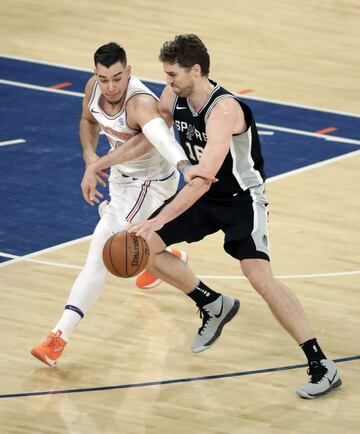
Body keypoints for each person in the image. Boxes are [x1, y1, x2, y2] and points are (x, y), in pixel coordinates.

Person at [87, 34, 342, 399]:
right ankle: (211, 302)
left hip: (239, 197)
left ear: (196, 70)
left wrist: (157, 219)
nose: (167, 81)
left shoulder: (224, 110)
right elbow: (152, 137)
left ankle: (321, 364)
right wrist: (103, 161)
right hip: (202, 195)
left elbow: (203, 179)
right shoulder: (174, 95)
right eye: (166, 74)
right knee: (143, 247)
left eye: (173, 74)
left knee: (259, 276)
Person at [30, 41, 211, 367]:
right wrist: (90, 158)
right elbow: (88, 121)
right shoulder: (94, 88)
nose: (111, 87)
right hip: (121, 177)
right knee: (131, 243)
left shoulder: (140, 103)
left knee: (102, 248)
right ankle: (160, 257)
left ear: (128, 71)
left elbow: (159, 136)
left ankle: (59, 335)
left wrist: (186, 167)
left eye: (117, 78)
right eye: (104, 79)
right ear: (95, 75)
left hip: (151, 184)